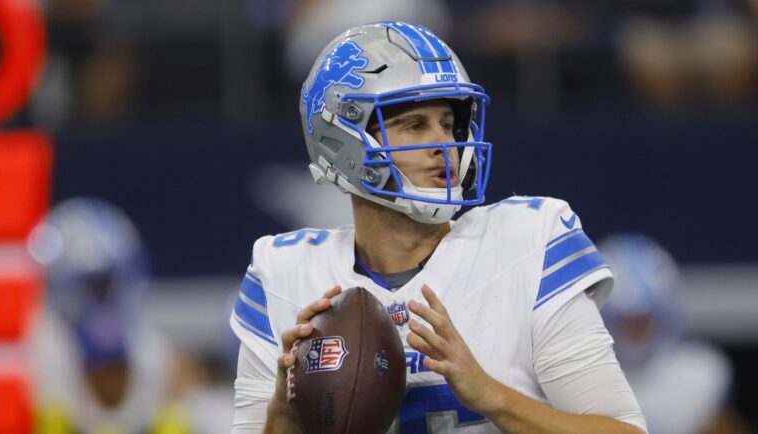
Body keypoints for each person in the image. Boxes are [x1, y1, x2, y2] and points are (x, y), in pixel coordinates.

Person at [230, 21, 646, 433]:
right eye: (415, 125)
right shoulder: (284, 273)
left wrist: (491, 396)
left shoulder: (529, 242)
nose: (443, 144)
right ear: (344, 142)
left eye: (447, 124)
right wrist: (283, 417)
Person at [28, 198, 193, 433]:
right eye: (88, 288)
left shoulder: (155, 358)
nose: (98, 301)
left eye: (105, 286)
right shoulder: (40, 359)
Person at [598, 234, 750, 434]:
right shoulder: (567, 381)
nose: (634, 334)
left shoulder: (701, 376)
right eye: (624, 322)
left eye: (643, 321)